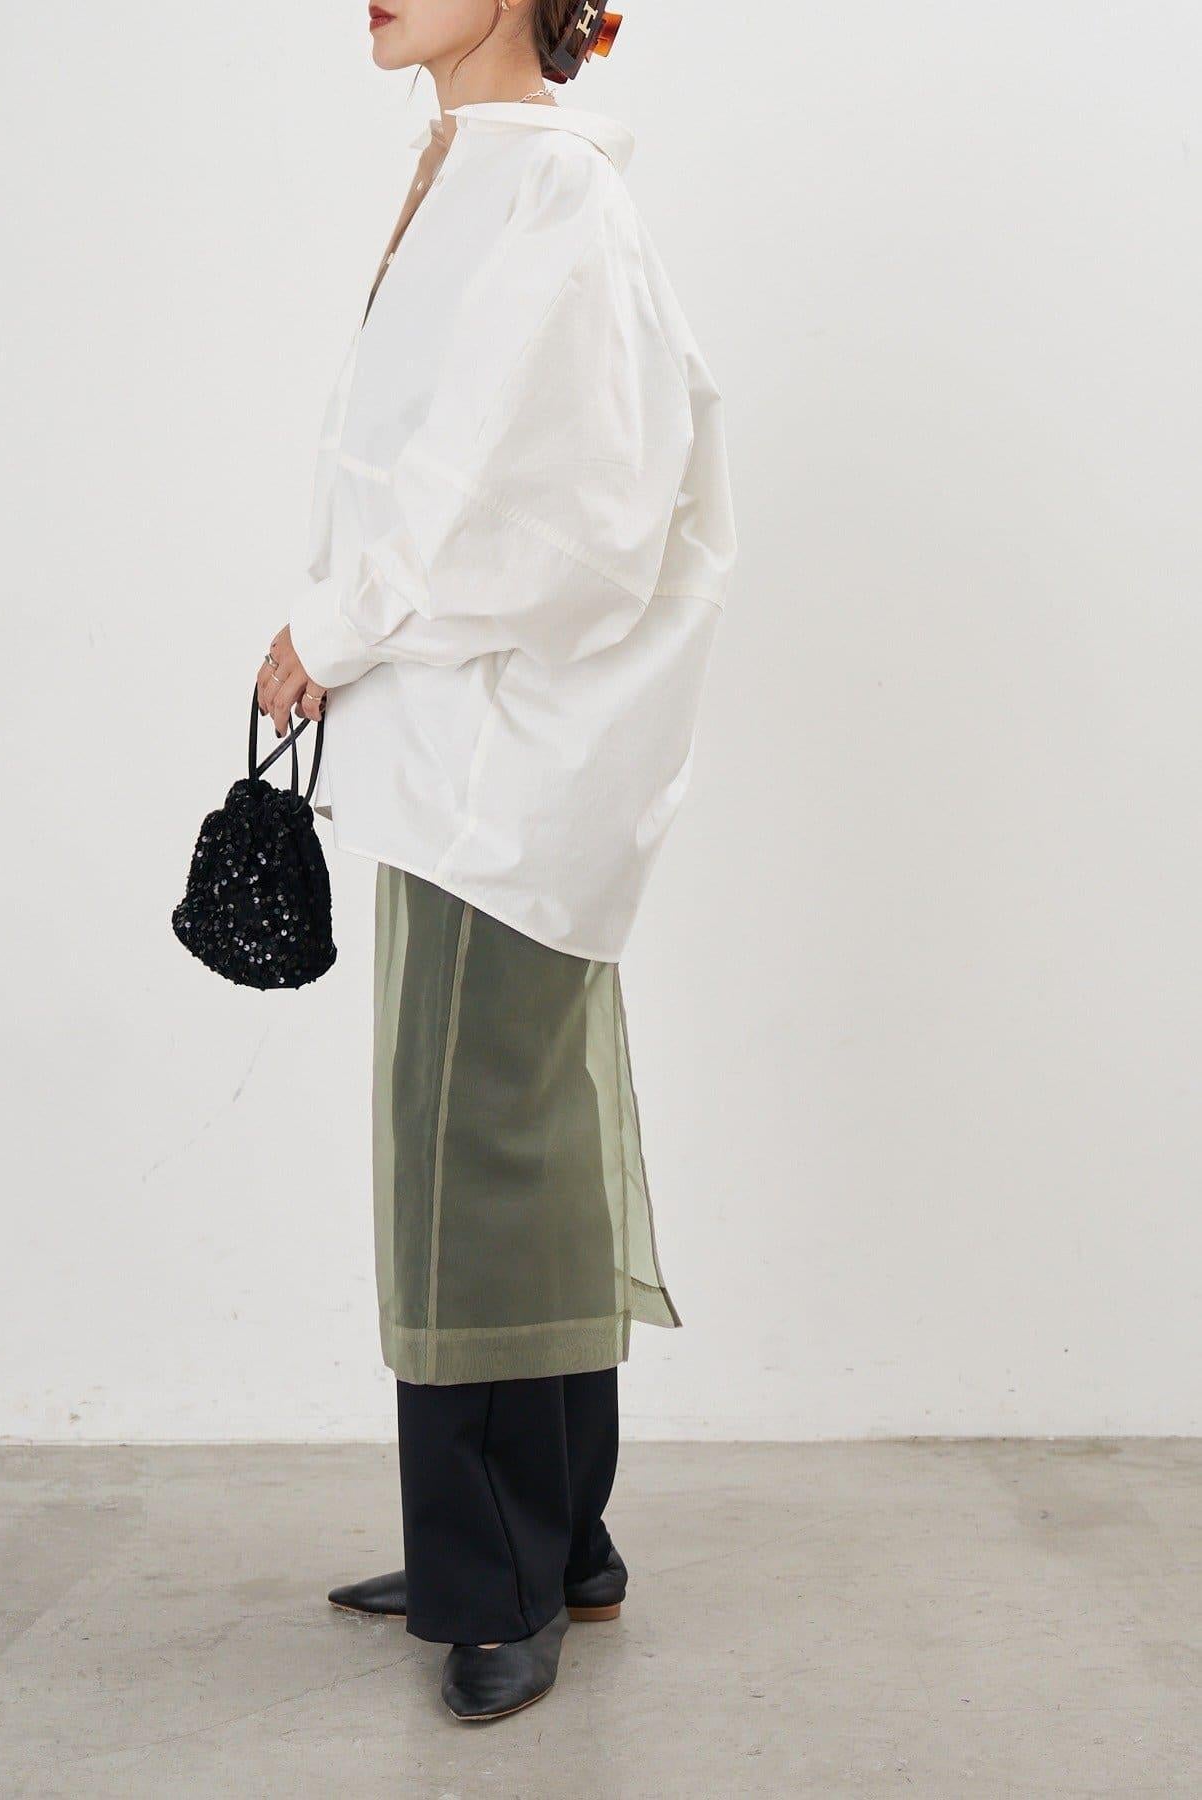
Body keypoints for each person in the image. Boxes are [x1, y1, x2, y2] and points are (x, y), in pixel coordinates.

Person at [255, 0, 735, 1723]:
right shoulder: (482, 171)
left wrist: (333, 627)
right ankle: (559, 1541)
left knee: (477, 1160)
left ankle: (502, 1578)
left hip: (509, 765)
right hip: (461, 754)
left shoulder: (554, 197)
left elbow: (571, 515)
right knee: (508, 1141)